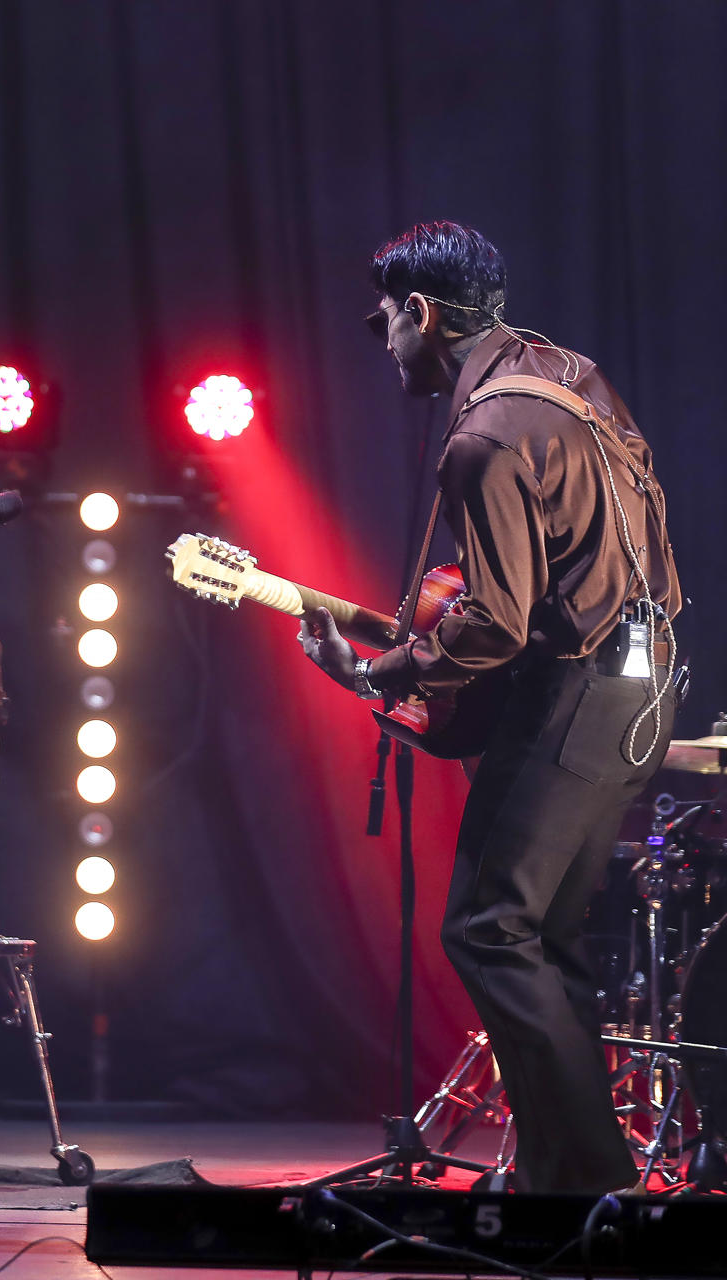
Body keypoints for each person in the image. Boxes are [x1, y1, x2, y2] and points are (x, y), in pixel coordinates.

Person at [301, 222, 681, 1193]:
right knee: (542, 933)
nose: (384, 341)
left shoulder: (483, 436)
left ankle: (590, 1183)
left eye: (387, 320)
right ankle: (568, 1179)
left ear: (422, 315)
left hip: (582, 691)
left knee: (484, 926)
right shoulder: (570, 375)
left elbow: (496, 626)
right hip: (647, 680)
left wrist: (379, 670)